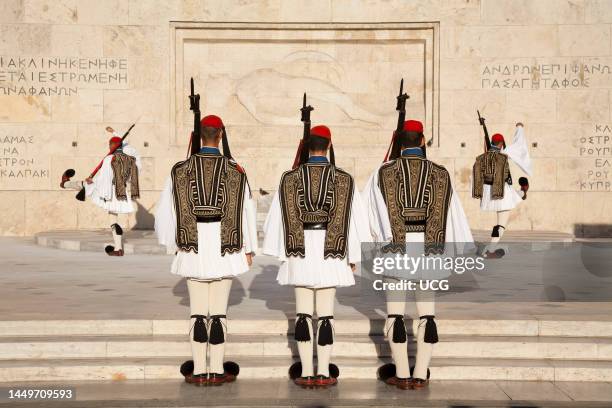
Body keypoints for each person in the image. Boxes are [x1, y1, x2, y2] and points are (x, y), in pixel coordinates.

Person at [363, 119, 473, 390]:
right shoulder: (441, 173)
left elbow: (368, 213)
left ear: (400, 143)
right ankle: (421, 373)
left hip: (395, 251)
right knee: (427, 315)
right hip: (430, 251)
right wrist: (461, 250)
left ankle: (402, 373)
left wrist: (373, 243)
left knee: (395, 315)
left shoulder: (382, 172)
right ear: (422, 141)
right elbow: (453, 214)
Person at [155, 115, 257, 386]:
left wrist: (172, 243)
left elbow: (167, 210)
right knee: (219, 313)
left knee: (198, 313)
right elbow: (247, 209)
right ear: (221, 136)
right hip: (227, 245)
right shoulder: (236, 169)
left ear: (199, 136)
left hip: (193, 246)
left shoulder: (180, 169)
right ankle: (217, 368)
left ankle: (200, 371)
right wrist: (249, 247)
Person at [263, 125, 369, 388]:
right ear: (329, 145)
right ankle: (323, 371)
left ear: (307, 147)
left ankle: (306, 372)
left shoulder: (290, 178)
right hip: (331, 251)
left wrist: (280, 252)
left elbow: (276, 220)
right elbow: (356, 220)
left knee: (302, 314)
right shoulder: (344, 179)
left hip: (299, 252)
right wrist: (353, 254)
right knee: (325, 315)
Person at [60, 127, 140, 256]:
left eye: (110, 145)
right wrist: (114, 132)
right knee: (113, 220)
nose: (109, 147)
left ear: (112, 146)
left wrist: (93, 181)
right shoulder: (130, 159)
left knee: (86, 185)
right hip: (122, 194)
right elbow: (131, 171)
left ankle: (65, 183)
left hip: (109, 192)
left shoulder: (109, 159)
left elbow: (104, 178)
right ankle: (118, 249)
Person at [472, 122, 531, 258]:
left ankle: (522, 192)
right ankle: (490, 250)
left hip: (488, 193)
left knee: (512, 197)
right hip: (501, 193)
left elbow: (475, 176)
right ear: (501, 143)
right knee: (501, 224)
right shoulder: (504, 155)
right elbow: (518, 145)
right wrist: (519, 128)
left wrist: (479, 193)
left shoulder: (481, 158)